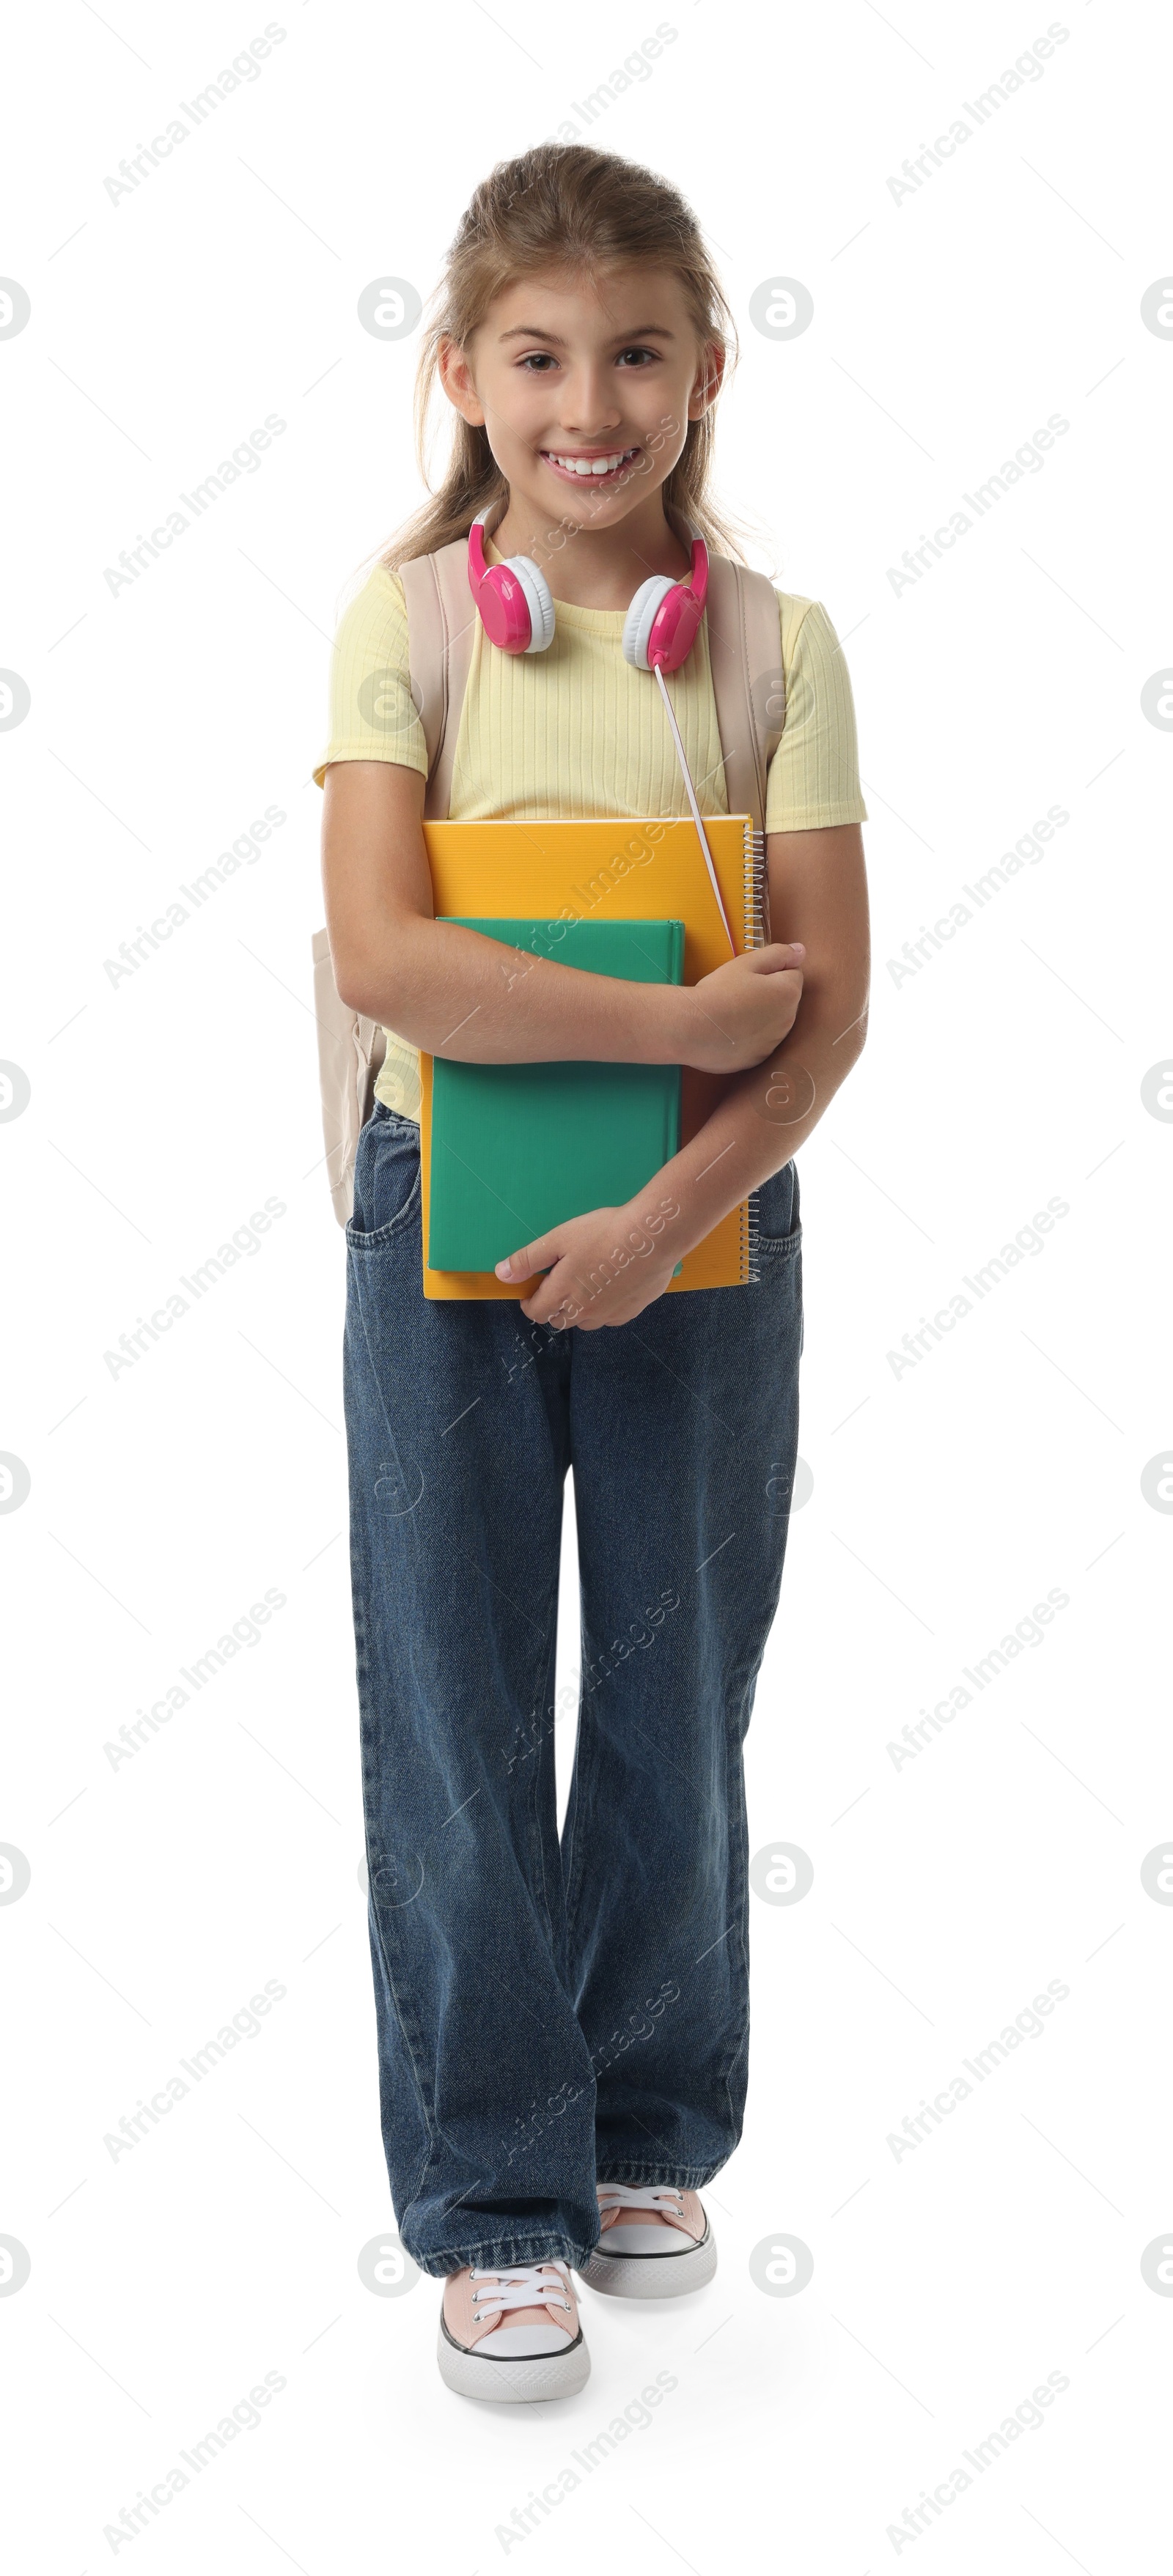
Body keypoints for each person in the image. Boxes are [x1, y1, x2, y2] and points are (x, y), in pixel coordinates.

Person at [315, 141, 869, 2404]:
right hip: (436, 1217)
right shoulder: (409, 625)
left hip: (707, 1231)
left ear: (705, 368)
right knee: (452, 1693)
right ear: (462, 373)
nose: (589, 401)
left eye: (637, 349)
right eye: (537, 354)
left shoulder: (771, 647)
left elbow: (824, 1009)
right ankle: (495, 2187)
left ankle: (644, 2123)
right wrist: (665, 1022)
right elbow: (388, 954)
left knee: (672, 1690)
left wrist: (666, 1203)